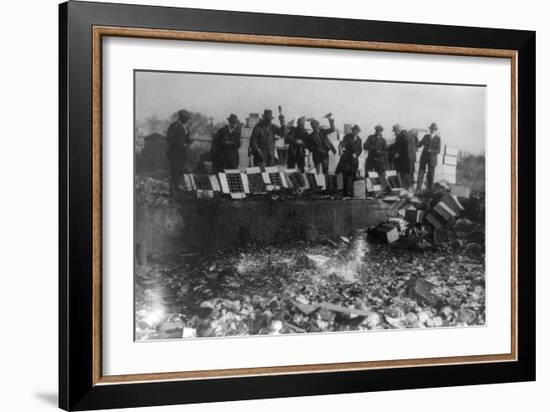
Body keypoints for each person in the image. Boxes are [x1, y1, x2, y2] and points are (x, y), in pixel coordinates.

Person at [166, 109, 193, 195]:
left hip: (182, 154)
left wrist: (189, 142)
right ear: (181, 117)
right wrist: (181, 144)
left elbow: (187, 138)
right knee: (174, 171)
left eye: (187, 118)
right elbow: (170, 138)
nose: (187, 120)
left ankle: (176, 188)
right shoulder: (174, 126)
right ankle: (172, 191)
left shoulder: (185, 127)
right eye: (186, 118)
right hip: (175, 153)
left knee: (180, 171)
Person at [335, 124, 362, 197]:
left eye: (357, 131)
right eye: (354, 131)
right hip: (347, 160)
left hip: (355, 161)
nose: (356, 132)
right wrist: (343, 147)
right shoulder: (347, 137)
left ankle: (352, 191)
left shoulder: (359, 139)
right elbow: (344, 143)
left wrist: (356, 154)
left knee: (353, 176)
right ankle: (345, 192)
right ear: (352, 131)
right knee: (346, 176)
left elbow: (360, 150)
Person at [416, 122, 441, 192]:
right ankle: (418, 189)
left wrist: (431, 151)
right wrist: (416, 139)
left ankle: (430, 190)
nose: (432, 130)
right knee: (421, 173)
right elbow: (419, 144)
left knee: (431, 175)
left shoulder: (438, 139)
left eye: (434, 129)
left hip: (432, 159)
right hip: (424, 157)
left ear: (435, 130)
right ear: (430, 129)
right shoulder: (426, 136)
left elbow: (438, 151)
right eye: (431, 129)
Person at [393, 124, 418, 189]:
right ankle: (410, 187)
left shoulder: (399, 136)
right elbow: (417, 145)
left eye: (395, 131)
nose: (394, 133)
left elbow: (399, 148)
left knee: (403, 174)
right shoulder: (410, 136)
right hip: (411, 158)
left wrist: (396, 153)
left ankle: (405, 187)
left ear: (397, 130)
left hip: (403, 159)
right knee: (410, 173)